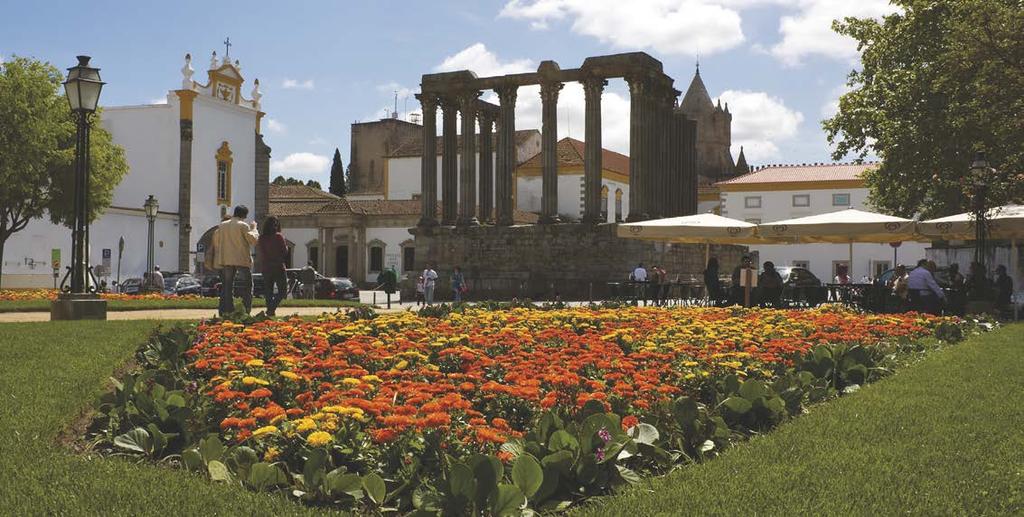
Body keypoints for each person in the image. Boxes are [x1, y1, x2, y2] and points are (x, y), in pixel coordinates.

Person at [211, 205, 259, 316]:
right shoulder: (243, 225)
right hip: (241, 259)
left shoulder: (222, 225)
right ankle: (245, 309)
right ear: (244, 215)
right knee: (248, 285)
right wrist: (254, 228)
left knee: (228, 286)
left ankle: (228, 310)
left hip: (226, 259)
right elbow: (252, 240)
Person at [256, 216, 288, 317]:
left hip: (266, 267)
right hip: (278, 266)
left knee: (268, 291)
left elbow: (262, 253)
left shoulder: (261, 238)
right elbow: (285, 251)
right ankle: (271, 309)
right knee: (283, 291)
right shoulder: (278, 236)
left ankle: (270, 311)